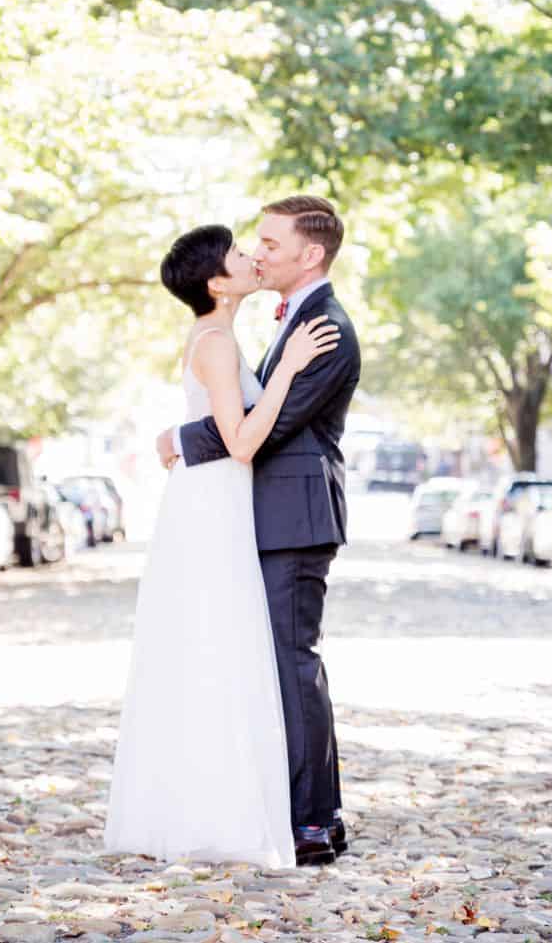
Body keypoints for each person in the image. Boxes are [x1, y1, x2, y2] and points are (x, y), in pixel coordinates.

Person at [104, 221, 340, 867]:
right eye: (240, 251)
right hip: (211, 504)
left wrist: (179, 436)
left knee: (222, 647)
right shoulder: (213, 339)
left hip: (219, 499)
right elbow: (240, 439)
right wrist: (289, 367)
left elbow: (214, 426)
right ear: (216, 280)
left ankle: (227, 802)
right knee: (217, 645)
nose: (251, 256)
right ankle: (211, 812)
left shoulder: (221, 335)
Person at [157, 194, 361, 868]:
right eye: (255, 244)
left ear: (311, 254)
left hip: (294, 516)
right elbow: (248, 406)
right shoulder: (285, 322)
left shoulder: (326, 327)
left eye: (271, 243)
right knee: (281, 665)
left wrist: (184, 439)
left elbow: (268, 422)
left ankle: (310, 821)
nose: (260, 251)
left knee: (292, 665)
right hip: (267, 513)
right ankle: (310, 815)